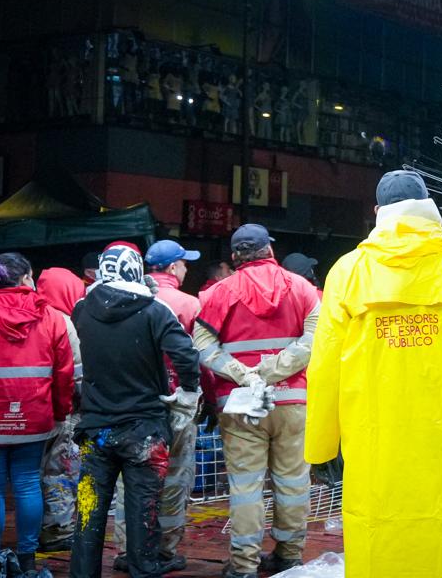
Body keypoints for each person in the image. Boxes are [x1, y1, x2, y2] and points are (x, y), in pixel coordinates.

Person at [305, 169, 442, 578]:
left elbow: (324, 367)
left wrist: (321, 448)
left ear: (379, 212)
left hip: (370, 443)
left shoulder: (347, 272)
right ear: (428, 209)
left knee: (375, 538)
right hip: (438, 443)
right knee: (438, 537)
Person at [192, 225, 319, 578]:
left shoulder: (217, 293)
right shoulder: (304, 289)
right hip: (292, 400)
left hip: (239, 405)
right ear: (269, 250)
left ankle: (244, 564)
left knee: (246, 487)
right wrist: (273, 371)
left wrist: (246, 375)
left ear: (235, 256)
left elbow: (203, 347)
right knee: (293, 482)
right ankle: (289, 556)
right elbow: (314, 342)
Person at [70, 245, 200, 578]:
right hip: (144, 430)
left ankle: (83, 573)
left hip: (95, 431)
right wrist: (187, 393)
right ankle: (144, 567)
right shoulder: (154, 310)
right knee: (144, 509)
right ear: (135, 271)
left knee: (89, 511)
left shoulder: (82, 309)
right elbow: (186, 355)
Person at [108, 240, 203, 572]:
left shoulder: (123, 300)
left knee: (129, 480)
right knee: (174, 478)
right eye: (185, 263)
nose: (188, 269)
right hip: (176, 406)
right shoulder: (189, 304)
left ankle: (126, 548)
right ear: (173, 267)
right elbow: (196, 359)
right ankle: (164, 550)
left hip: (132, 405)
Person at [0, 254, 75, 575]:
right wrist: (61, 412)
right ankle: (26, 559)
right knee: (26, 484)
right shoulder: (50, 317)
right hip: (34, 415)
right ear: (25, 279)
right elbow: (63, 373)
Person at [33, 267, 85, 553]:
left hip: (26, 409)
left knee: (29, 474)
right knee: (58, 471)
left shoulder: (28, 314)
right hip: (59, 410)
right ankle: (57, 529)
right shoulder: (62, 321)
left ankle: (31, 529)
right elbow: (75, 372)